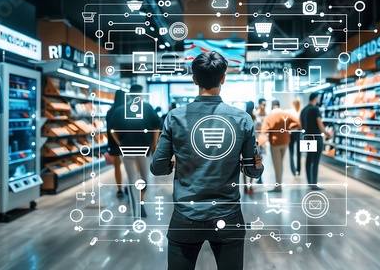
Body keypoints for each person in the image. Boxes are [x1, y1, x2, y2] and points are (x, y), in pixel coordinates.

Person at [150, 51, 263, 270]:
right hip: (228, 215)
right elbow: (252, 171)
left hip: (185, 215)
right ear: (223, 78)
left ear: (194, 79)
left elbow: (157, 167)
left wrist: (176, 164)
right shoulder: (242, 118)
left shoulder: (175, 117)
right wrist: (251, 165)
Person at [108, 84, 162, 217]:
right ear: (141, 94)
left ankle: (136, 207)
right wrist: (154, 144)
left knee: (132, 180)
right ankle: (140, 203)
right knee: (144, 178)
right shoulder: (147, 108)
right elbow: (157, 126)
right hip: (143, 149)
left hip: (127, 149)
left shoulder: (120, 110)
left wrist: (120, 143)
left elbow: (112, 130)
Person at [261, 100, 300, 192]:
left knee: (277, 165)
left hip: (275, 142)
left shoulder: (269, 117)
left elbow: (264, 130)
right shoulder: (285, 114)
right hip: (285, 141)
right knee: (280, 163)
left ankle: (278, 186)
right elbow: (298, 123)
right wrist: (288, 128)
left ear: (272, 106)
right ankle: (279, 184)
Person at [300, 92, 333, 190]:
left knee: (309, 159)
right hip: (316, 137)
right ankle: (314, 184)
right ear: (316, 98)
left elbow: (301, 124)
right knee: (315, 161)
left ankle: (309, 182)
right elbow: (319, 123)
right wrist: (327, 133)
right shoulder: (315, 109)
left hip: (306, 136)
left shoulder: (304, 110)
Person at [106, 90, 125, 198]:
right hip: (125, 141)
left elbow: (109, 128)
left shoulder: (110, 111)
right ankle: (130, 186)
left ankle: (119, 189)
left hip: (113, 141)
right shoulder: (124, 111)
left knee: (117, 166)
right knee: (130, 165)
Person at [286, 99, 302, 176]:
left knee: (299, 152)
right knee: (291, 152)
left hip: (299, 133)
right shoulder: (290, 112)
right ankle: (293, 170)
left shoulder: (300, 111)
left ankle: (298, 169)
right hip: (291, 133)